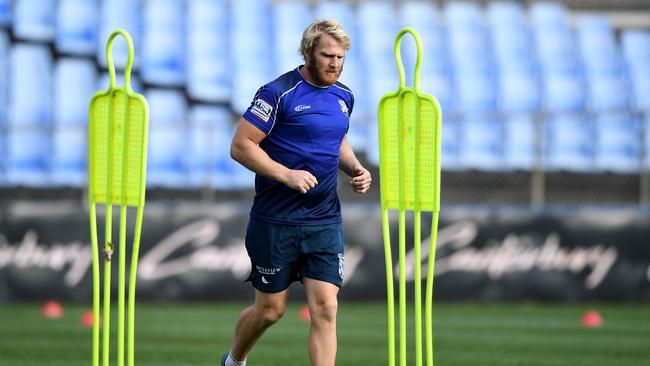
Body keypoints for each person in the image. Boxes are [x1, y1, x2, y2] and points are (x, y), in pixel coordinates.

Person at [221, 19, 371, 366]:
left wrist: (355, 169)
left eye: (341, 57)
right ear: (307, 52)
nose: (335, 63)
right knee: (270, 311)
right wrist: (285, 174)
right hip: (276, 222)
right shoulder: (277, 93)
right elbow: (241, 146)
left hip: (324, 220)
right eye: (328, 55)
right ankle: (234, 360)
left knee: (326, 307)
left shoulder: (344, 96)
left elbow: (337, 139)